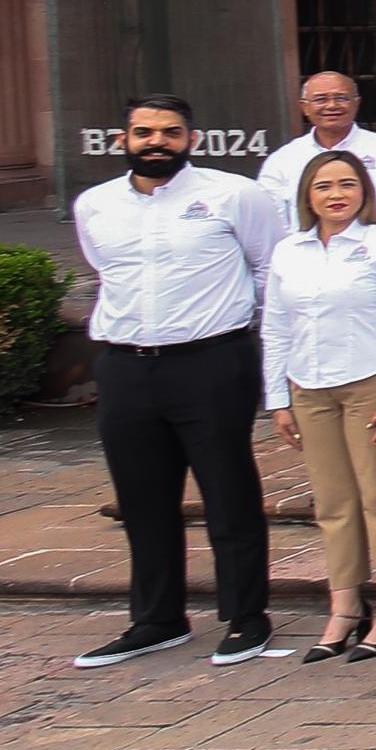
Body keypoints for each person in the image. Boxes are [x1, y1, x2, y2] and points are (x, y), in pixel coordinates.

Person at [73, 97, 295, 669]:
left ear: (191, 139)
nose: (157, 142)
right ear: (123, 139)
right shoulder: (94, 205)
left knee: (228, 493)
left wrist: (270, 359)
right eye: (144, 132)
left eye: (171, 133)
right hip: (124, 366)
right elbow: (104, 270)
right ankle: (157, 618)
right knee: (142, 499)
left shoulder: (234, 195)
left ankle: (247, 617)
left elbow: (271, 272)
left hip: (212, 361)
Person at [263, 149, 376, 662]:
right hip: (309, 387)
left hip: (369, 384)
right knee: (333, 504)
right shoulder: (289, 250)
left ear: (365, 191)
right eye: (325, 186)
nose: (337, 195)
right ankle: (345, 605)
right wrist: (277, 399)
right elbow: (276, 326)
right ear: (308, 195)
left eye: (348, 184)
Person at [263, 69, 376, 233]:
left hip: (372, 254)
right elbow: (273, 221)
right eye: (320, 99)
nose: (331, 105)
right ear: (305, 107)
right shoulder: (283, 159)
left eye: (341, 98)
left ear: (356, 103)